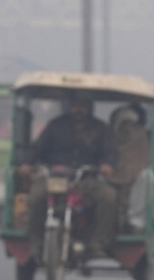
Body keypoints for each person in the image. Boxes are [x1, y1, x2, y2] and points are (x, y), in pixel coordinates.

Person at [18, 94, 118, 259]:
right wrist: (27, 163)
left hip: (86, 179)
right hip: (56, 178)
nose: (79, 110)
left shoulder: (100, 128)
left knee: (109, 197)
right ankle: (36, 242)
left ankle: (97, 243)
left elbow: (111, 152)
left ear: (90, 108)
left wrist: (108, 164)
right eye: (75, 106)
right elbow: (36, 148)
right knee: (36, 196)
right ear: (69, 107)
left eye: (83, 106)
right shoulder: (55, 126)